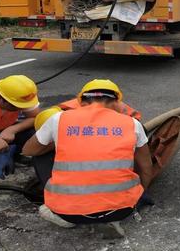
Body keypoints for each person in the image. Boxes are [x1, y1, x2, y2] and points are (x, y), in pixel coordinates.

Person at [23, 79, 153, 232]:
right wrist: (137, 195)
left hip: (68, 213)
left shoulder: (59, 119)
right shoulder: (132, 123)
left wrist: (58, 142)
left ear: (81, 102)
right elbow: (146, 167)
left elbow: (28, 150)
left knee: (40, 154)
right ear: (117, 102)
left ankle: (66, 214)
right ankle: (112, 218)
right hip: (122, 209)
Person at [0, 75, 40, 179]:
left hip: (2, 128)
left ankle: (13, 154)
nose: (21, 108)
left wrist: (11, 130)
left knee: (34, 132)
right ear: (0, 99)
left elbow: (35, 117)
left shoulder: (24, 96)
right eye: (16, 106)